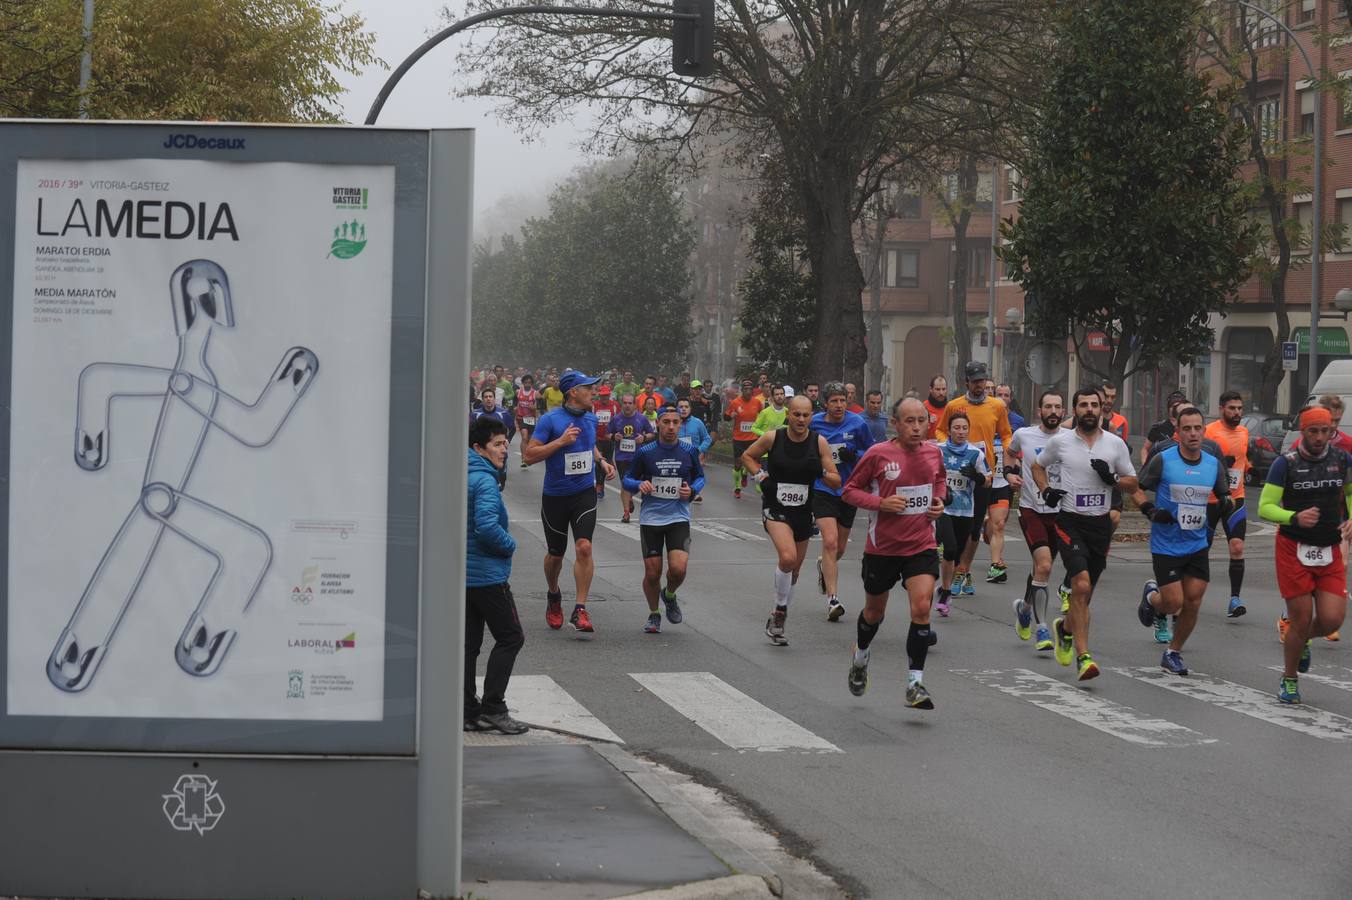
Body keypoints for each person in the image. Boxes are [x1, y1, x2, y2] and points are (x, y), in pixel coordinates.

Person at [842, 397, 947, 710]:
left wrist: (940, 502)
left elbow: (939, 482)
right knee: (874, 612)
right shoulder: (878, 454)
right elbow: (850, 491)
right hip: (883, 548)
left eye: (921, 421)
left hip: (921, 544)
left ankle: (915, 683)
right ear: (895, 423)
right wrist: (881, 504)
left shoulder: (933, 452)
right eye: (909, 422)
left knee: (922, 606)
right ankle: (861, 655)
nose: (916, 428)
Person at [1031, 388, 1138, 681]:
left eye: (1094, 405)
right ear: (1075, 410)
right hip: (1069, 522)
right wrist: (1046, 491)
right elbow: (1037, 466)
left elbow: (1132, 483)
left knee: (1085, 593)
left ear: (1102, 409)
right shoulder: (1061, 442)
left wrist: (1113, 479)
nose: (1089, 409)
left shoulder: (1115, 444)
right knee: (1080, 584)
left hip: (1100, 525)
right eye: (1083, 405)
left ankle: (1065, 629)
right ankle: (1084, 656)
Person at [1258, 406, 1352, 704]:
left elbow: (1350, 493)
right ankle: (1289, 679)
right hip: (1293, 548)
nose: (1320, 437)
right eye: (1314, 431)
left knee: (1333, 619)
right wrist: (1293, 517)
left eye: (1326, 431)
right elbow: (1265, 506)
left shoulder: (1343, 460)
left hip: (1329, 547)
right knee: (1300, 618)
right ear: (1303, 431)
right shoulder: (1285, 464)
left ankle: (1303, 641)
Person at [1134, 406, 1232, 676]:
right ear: (1178, 432)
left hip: (1197, 543)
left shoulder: (1212, 463)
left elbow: (1224, 495)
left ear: (1204, 430)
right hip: (1166, 544)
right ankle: (1152, 598)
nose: (1193, 433)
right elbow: (1137, 491)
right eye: (1186, 428)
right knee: (1172, 602)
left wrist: (1226, 503)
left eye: (1197, 428)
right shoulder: (1163, 460)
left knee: (1194, 601)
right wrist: (1151, 511)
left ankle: (1172, 652)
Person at [741, 396, 840, 646]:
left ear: (811, 416)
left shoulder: (819, 443)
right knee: (787, 558)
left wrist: (822, 471)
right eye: (797, 414)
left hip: (803, 512)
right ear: (789, 414)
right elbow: (748, 456)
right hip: (775, 508)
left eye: (806, 415)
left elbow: (836, 480)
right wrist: (761, 476)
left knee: (794, 570)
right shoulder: (774, 438)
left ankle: (778, 612)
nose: (801, 419)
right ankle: (780, 611)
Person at [524, 369, 617, 634]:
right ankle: (554, 596)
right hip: (555, 496)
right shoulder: (550, 420)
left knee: (584, 547)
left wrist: (601, 460)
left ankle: (580, 609)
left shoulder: (589, 419)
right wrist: (561, 442)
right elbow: (530, 456)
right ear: (573, 392)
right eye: (588, 388)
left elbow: (589, 446)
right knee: (556, 554)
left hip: (583, 493)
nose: (594, 391)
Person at [465, 416, 528, 734]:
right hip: (487, 576)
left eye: (506, 443)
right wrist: (510, 545)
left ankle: (466, 710)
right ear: (479, 448)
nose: (505, 449)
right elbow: (487, 526)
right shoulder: (484, 479)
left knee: (469, 643)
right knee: (511, 636)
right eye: (498, 444)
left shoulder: (461, 472)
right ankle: (493, 707)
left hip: (463, 575)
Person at [935, 361, 1013, 597]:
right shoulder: (954, 405)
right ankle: (960, 568)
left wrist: (1011, 451)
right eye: (975, 381)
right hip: (956, 472)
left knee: (975, 526)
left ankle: (962, 570)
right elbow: (940, 429)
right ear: (967, 382)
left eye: (982, 381)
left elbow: (1006, 433)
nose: (980, 385)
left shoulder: (996, 406)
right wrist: (948, 445)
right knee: (954, 524)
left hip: (981, 472)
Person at [625, 406, 705, 633]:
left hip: (678, 516)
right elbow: (627, 479)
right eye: (666, 422)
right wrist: (639, 484)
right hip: (651, 519)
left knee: (678, 570)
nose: (671, 427)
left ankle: (669, 595)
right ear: (658, 424)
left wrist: (692, 490)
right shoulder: (645, 452)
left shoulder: (689, 451)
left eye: (675, 422)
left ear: (680, 424)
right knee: (652, 573)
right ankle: (654, 614)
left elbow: (700, 477)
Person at [812, 383, 876, 621]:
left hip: (848, 489)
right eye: (834, 401)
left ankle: (824, 567)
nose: (839, 406)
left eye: (842, 401)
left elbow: (872, 453)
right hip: (823, 488)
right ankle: (832, 599)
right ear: (825, 403)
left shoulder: (858, 424)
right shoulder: (814, 423)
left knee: (839, 548)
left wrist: (855, 455)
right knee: (829, 542)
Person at [1007, 391, 1065, 652]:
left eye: (1058, 407)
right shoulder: (1024, 435)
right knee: (1044, 566)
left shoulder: (1071, 439)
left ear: (1063, 412)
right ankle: (1042, 628)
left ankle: (1025, 608)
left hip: (1062, 512)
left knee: (1040, 570)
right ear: (1039, 410)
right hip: (1031, 509)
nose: (1053, 411)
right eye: (1048, 406)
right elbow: (1010, 453)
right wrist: (1010, 474)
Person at [934, 411, 989, 616]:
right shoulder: (937, 450)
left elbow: (988, 479)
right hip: (943, 507)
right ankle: (946, 592)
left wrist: (977, 477)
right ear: (949, 430)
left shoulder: (976, 453)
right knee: (947, 548)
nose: (961, 431)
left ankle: (945, 586)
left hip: (965, 510)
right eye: (956, 428)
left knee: (955, 555)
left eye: (964, 428)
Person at [1204, 391, 1251, 620]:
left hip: (1236, 497)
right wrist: (1222, 464)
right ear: (1222, 408)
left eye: (1240, 408)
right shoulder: (1209, 432)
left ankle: (1235, 599)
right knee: (1201, 549)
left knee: (1237, 547)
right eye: (1232, 408)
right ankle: (1191, 592)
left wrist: (1247, 469)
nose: (1237, 413)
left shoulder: (1244, 432)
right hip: (1210, 500)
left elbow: (1244, 459)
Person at [610, 393, 655, 524]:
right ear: (621, 404)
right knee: (625, 483)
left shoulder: (641, 419)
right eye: (625, 403)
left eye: (630, 403)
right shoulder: (616, 419)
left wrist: (644, 438)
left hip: (638, 457)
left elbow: (652, 434)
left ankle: (629, 497)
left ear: (635, 405)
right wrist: (614, 437)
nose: (628, 405)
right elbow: (607, 434)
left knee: (638, 483)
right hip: (621, 457)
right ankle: (626, 514)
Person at [725, 379, 765, 499]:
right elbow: (726, 416)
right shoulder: (735, 402)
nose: (748, 392)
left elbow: (762, 415)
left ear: (752, 391)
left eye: (750, 389)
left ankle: (746, 474)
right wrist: (730, 416)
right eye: (745, 389)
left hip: (752, 437)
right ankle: (737, 487)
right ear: (742, 390)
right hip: (738, 438)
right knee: (738, 463)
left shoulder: (757, 402)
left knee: (753, 462)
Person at [1141, 389, 1187, 465]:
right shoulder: (1159, 427)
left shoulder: (1190, 428)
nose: (1177, 409)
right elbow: (1145, 449)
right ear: (1169, 409)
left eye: (1179, 406)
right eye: (1173, 406)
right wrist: (1145, 465)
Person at [592, 385, 618, 499]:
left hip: (609, 439)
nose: (604, 398)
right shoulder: (594, 405)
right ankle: (599, 485)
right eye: (602, 396)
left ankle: (601, 484)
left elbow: (618, 421)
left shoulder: (615, 405)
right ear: (599, 395)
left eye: (606, 395)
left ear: (609, 395)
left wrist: (615, 435)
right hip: (597, 439)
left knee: (606, 462)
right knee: (599, 462)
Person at [515, 374, 541, 468]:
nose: (527, 384)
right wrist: (515, 408)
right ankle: (523, 459)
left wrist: (534, 407)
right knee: (524, 437)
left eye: (529, 383)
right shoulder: (518, 392)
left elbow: (540, 405)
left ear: (532, 384)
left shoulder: (535, 393)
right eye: (526, 382)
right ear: (523, 383)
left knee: (529, 439)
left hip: (531, 418)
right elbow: (515, 402)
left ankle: (527, 456)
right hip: (521, 417)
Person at [924, 375, 948, 440]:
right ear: (931, 389)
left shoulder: (950, 408)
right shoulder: (923, 408)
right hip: (927, 446)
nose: (941, 393)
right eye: (938, 389)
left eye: (943, 389)